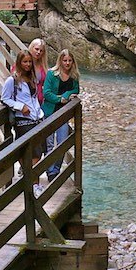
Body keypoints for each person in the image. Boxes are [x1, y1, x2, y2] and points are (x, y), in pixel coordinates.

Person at [2, 50, 45, 197]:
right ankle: (34, 184)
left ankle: (30, 180)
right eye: (24, 62)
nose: (27, 64)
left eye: (29, 62)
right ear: (19, 63)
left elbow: (34, 98)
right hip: (22, 120)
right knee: (31, 152)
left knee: (37, 152)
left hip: (36, 118)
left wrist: (39, 111)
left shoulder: (32, 78)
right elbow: (5, 98)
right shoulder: (12, 80)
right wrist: (20, 107)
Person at [42, 49, 80, 180]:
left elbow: (76, 89)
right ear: (60, 61)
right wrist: (60, 99)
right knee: (49, 144)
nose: (67, 63)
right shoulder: (52, 74)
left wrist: (65, 96)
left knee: (63, 142)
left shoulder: (74, 76)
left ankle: (56, 170)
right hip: (49, 113)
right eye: (65, 60)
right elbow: (46, 93)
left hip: (63, 114)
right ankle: (50, 172)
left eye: (70, 60)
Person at [28, 38, 48, 104]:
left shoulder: (43, 67)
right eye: (36, 49)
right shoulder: (23, 63)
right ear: (31, 48)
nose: (38, 52)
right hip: (26, 101)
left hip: (39, 102)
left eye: (41, 51)